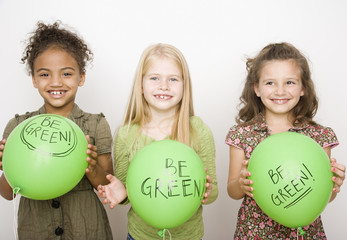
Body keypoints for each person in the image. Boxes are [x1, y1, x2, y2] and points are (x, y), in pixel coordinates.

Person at [0, 21, 113, 239]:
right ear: (34, 79)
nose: (56, 82)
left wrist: (91, 168)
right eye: (44, 74)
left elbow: (109, 186)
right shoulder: (17, 128)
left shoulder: (96, 124)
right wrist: (9, 169)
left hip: (86, 228)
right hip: (36, 229)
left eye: (67, 74)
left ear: (81, 77)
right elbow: (7, 194)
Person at [97, 43, 218, 240]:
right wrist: (121, 192)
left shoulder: (198, 130)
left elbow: (212, 195)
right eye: (154, 78)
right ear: (141, 85)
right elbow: (125, 196)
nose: (164, 86)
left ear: (184, 85)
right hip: (139, 236)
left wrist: (207, 190)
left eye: (173, 79)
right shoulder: (126, 134)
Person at [225, 42, 345, 239]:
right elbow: (233, 191)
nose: (280, 91)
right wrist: (242, 183)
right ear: (257, 88)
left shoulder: (317, 137)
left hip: (305, 234)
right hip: (256, 233)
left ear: (303, 88)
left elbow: (325, 197)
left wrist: (333, 186)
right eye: (270, 83)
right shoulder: (242, 135)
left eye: (289, 82)